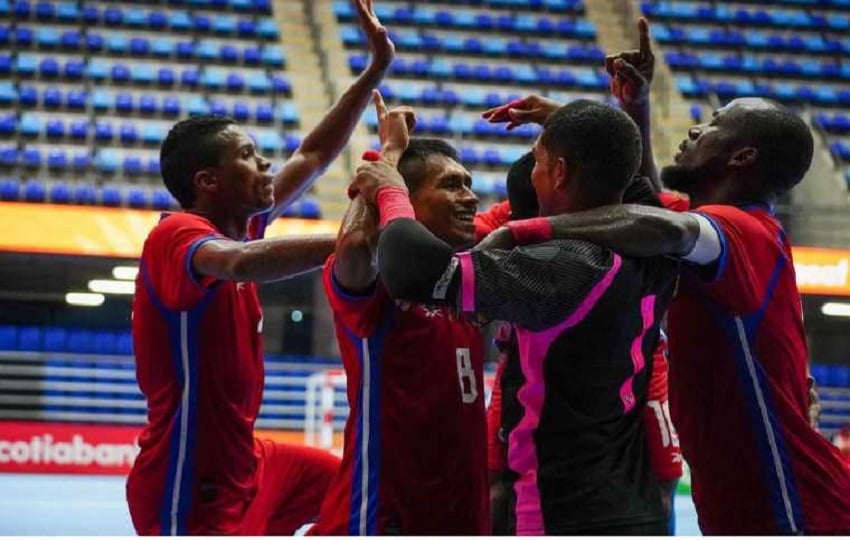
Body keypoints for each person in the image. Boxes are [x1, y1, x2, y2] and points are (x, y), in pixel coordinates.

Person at [477, 18, 850, 535]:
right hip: (748, 494)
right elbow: (647, 196)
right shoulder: (720, 227)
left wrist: (525, 232)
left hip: (792, 503)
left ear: (741, 156)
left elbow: (656, 225)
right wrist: (628, 109)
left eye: (712, 124)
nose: (695, 129)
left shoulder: (744, 230)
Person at [126, 1, 395, 534]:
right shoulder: (175, 235)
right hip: (191, 481)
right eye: (249, 155)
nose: (266, 162)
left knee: (367, 493)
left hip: (253, 462)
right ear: (208, 182)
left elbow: (314, 154)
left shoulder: (240, 226)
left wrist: (375, 69)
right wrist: (359, 241)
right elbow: (241, 264)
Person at [355, 99, 680, 535]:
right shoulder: (654, 245)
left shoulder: (562, 266)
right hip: (631, 500)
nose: (532, 172)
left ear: (561, 172)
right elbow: (627, 171)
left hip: (562, 507)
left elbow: (412, 269)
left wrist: (390, 188)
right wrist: (563, 122)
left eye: (540, 161)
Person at [309, 93, 488, 535]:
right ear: (404, 198)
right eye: (451, 185)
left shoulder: (461, 275)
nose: (470, 196)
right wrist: (387, 155)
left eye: (467, 183)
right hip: (381, 519)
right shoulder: (379, 287)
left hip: (459, 519)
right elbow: (353, 245)